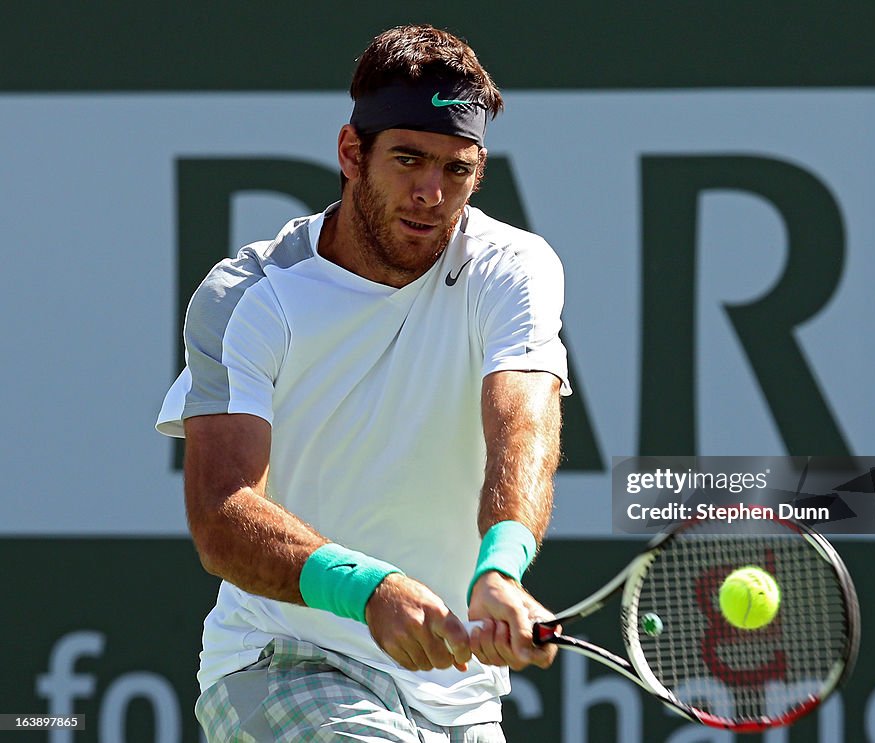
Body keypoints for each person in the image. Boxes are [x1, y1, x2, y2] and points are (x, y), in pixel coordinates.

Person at [156, 23, 571, 742]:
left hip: (460, 698)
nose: (432, 193)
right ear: (352, 153)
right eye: (408, 160)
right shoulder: (251, 295)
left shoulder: (513, 268)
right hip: (282, 660)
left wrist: (501, 566)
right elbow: (222, 512)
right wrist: (367, 589)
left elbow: (522, 421)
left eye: (457, 170)